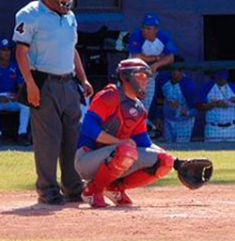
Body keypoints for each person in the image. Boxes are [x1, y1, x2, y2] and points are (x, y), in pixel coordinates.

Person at [13, 0, 94, 205]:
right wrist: (30, 84)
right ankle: (47, 190)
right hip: (44, 82)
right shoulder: (30, 14)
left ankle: (73, 188)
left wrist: (83, 78)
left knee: (73, 138)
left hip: (68, 82)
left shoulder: (69, 16)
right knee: (48, 140)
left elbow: (72, 49)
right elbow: (21, 51)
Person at [75, 59, 186, 208]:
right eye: (140, 76)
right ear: (125, 77)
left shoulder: (139, 108)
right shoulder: (109, 95)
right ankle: (92, 190)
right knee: (126, 149)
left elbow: (144, 143)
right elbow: (88, 127)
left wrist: (176, 162)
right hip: (86, 158)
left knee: (164, 161)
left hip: (116, 154)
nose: (144, 81)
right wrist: (118, 142)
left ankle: (115, 188)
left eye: (146, 77)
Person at [0, 38, 30, 146]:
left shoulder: (16, 66)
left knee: (26, 102)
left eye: (8, 50)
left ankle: (22, 134)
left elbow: (22, 86)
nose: (6, 53)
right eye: (3, 50)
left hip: (12, 98)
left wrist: (18, 95)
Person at [128, 13, 178, 113]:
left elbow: (171, 57)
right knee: (128, 104)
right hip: (132, 75)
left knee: (144, 108)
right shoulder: (136, 35)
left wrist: (156, 64)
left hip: (150, 77)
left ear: (156, 29)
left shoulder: (163, 37)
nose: (145, 31)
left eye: (148, 29)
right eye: (144, 28)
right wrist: (156, 58)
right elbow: (136, 56)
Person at [197, 70, 235, 142]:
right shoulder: (207, 87)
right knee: (211, 152)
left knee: (232, 152)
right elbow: (199, 106)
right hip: (213, 128)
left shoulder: (233, 87)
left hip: (231, 127)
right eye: (219, 79)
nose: (222, 81)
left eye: (224, 79)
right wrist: (214, 104)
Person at [157, 65, 198, 143]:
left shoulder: (189, 86)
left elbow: (197, 108)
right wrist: (159, 116)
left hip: (184, 122)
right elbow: (159, 100)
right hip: (168, 120)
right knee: (168, 147)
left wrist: (188, 112)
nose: (174, 73)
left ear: (182, 71)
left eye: (177, 70)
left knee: (181, 147)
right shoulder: (163, 80)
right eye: (172, 70)